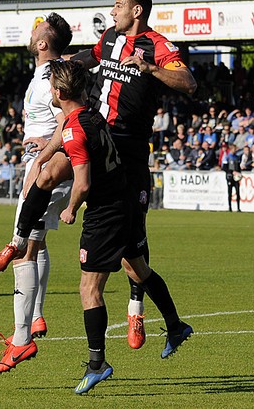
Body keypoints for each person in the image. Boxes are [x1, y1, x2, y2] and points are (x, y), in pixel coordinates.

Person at [23, 0, 197, 351]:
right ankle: (19, 240)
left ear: (136, 11)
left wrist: (150, 68)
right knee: (48, 172)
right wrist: (62, 63)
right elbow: (91, 56)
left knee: (133, 254)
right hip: (100, 136)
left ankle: (140, 310)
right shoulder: (109, 38)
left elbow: (187, 82)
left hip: (130, 150)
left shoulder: (158, 46)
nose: (112, 10)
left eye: (118, 5)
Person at [48, 60, 192, 394]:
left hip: (105, 213)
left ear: (57, 93)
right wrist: (46, 153)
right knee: (138, 268)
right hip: (124, 201)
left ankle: (97, 363)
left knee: (89, 289)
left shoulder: (76, 125)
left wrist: (69, 209)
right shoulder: (94, 114)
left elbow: (81, 183)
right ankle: (174, 325)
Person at [0, 13, 74, 375]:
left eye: (37, 28)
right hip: (47, 163)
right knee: (36, 243)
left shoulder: (52, 76)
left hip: (47, 166)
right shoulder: (47, 73)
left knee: (21, 249)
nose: (32, 29)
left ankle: (21, 340)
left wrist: (47, 144)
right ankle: (35, 319)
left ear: (42, 43)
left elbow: (72, 112)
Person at [223, 143, 242, 212]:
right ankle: (230, 207)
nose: (235, 150)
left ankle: (238, 207)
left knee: (237, 192)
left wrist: (239, 173)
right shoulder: (227, 157)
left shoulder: (237, 157)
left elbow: (238, 167)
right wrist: (231, 172)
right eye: (234, 149)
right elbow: (224, 168)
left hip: (236, 177)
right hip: (230, 177)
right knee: (230, 192)